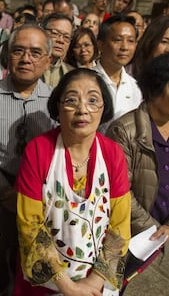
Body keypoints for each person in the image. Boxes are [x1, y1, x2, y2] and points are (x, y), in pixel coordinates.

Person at [14, 68, 131, 295]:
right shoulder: (39, 150)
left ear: (103, 108)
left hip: (95, 284)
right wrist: (66, 286)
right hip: (46, 284)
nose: (82, 109)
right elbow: (30, 225)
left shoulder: (113, 154)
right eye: (71, 100)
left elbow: (120, 225)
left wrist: (94, 281)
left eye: (93, 100)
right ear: (58, 107)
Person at [0, 24, 56, 296]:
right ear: (6, 55)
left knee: (33, 261)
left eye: (36, 53)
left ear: (48, 60)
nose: (26, 58)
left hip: (39, 196)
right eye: (18, 51)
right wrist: (4, 190)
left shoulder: (54, 101)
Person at [107, 52, 169, 292]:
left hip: (156, 235)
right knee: (106, 282)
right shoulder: (124, 131)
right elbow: (119, 191)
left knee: (123, 282)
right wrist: (152, 229)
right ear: (154, 89)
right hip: (119, 232)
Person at [93, 15, 142, 129]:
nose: (124, 47)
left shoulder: (135, 87)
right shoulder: (85, 80)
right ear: (101, 44)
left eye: (130, 41)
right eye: (118, 40)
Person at [42, 13, 74, 88]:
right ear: (42, 32)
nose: (60, 40)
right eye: (55, 33)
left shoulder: (71, 75)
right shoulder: (28, 66)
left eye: (66, 37)